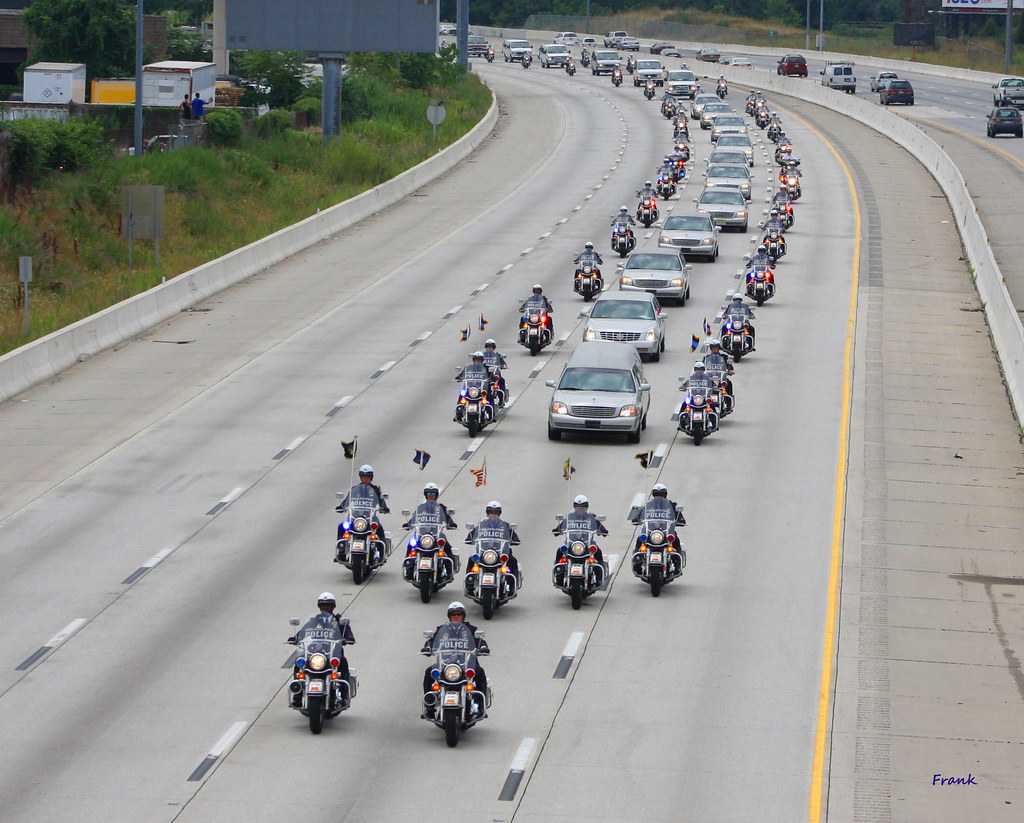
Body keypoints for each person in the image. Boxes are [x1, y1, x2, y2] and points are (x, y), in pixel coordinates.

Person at [421, 601, 490, 717]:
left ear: (463, 616)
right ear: (449, 616)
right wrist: (427, 647)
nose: (456, 616)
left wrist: (483, 647)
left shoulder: (471, 629)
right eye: (453, 614)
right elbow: (433, 641)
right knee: (429, 672)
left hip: (467, 664)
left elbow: (479, 641)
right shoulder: (442, 629)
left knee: (480, 673)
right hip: (445, 664)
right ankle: (430, 706)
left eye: (459, 614)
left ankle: (480, 706)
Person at [289, 592, 355, 706]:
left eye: (328, 605)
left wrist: (349, 637)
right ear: (319, 607)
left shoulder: (339, 621)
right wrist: (295, 638)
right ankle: (297, 696)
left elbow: (347, 631)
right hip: (314, 652)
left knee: (343, 662)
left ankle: (344, 696)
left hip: (333, 652)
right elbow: (304, 631)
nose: (325, 607)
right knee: (299, 662)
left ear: (333, 606)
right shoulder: (314, 620)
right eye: (323, 605)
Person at [465, 501, 522, 594]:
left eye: (495, 513)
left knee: (512, 561)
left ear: (499, 514)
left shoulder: (504, 526)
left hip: (501, 553)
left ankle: (512, 586)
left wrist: (515, 540)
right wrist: (469, 538)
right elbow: (472, 535)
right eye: (491, 512)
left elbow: (514, 537)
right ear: (487, 513)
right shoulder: (482, 525)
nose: (493, 515)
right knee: (472, 560)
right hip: (484, 553)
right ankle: (469, 585)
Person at [552, 495, 609, 585]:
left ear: (586, 508)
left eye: (583, 508)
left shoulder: (591, 517)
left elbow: (600, 527)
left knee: (598, 552)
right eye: (578, 508)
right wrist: (557, 530)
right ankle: (559, 576)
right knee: (560, 551)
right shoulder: (569, 517)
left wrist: (603, 530)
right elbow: (561, 526)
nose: (580, 510)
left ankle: (599, 577)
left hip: (587, 543)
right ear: (575, 508)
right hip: (572, 543)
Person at [629, 484, 686, 572]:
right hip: (650, 531)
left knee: (676, 540)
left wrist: (680, 520)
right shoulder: (648, 505)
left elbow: (681, 518)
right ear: (653, 495)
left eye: (661, 494)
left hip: (666, 531)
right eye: (657, 495)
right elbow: (639, 516)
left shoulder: (672, 505)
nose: (659, 497)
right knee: (640, 539)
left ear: (665, 495)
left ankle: (677, 565)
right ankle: (637, 562)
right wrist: (636, 518)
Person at [336, 464, 389, 544]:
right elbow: (347, 499)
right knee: (341, 527)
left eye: (367, 476)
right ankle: (341, 551)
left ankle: (381, 554)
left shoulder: (376, 489)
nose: (365, 479)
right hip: (355, 518)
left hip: (370, 518)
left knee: (380, 530)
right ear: (360, 477)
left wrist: (384, 508)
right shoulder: (355, 489)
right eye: (363, 476)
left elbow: (381, 501)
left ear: (371, 477)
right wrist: (341, 507)